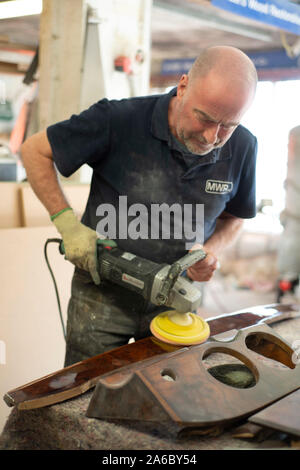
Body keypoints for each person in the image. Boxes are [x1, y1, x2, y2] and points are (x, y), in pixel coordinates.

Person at [21, 46, 258, 366]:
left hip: (177, 304)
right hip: (101, 297)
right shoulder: (118, 120)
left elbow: (235, 217)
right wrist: (67, 224)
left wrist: (211, 249)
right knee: (87, 397)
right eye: (204, 117)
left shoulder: (244, 147)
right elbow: (34, 151)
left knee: (166, 398)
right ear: (183, 86)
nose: (211, 136)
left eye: (227, 125)